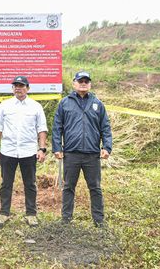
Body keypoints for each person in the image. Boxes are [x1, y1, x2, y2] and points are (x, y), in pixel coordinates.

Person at [52, 71, 112, 227]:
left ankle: (99, 221)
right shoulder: (65, 103)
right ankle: (66, 220)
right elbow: (57, 127)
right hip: (71, 154)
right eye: (80, 81)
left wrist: (107, 147)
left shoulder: (98, 104)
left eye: (86, 81)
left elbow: (105, 128)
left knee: (95, 188)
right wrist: (57, 147)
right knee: (68, 187)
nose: (83, 83)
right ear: (74, 83)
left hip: (92, 155)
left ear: (90, 84)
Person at [0, 76, 48, 227]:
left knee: (30, 184)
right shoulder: (5, 105)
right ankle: (4, 213)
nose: (18, 88)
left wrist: (41, 149)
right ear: (12, 89)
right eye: (16, 86)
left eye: (21, 86)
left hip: (28, 151)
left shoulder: (36, 106)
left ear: (28, 88)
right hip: (8, 151)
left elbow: (41, 129)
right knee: (6, 184)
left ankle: (31, 214)